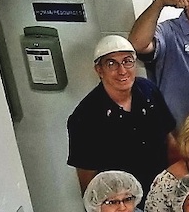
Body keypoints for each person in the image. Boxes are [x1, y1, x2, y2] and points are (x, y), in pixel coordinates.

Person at [67, 35, 176, 195]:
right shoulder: (84, 117)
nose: (122, 71)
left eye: (127, 61)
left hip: (163, 191)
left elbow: (170, 141)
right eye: (112, 64)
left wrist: (179, 183)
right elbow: (88, 179)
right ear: (99, 70)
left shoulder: (148, 91)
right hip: (123, 204)